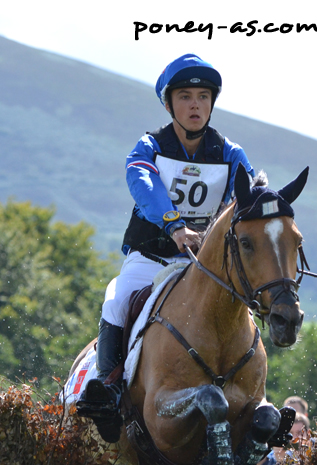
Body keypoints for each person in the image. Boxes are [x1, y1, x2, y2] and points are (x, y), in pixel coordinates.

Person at [77, 54, 254, 443]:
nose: (196, 105)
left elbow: (248, 193)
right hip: (152, 258)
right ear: (170, 103)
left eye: (204, 97)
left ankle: (249, 400)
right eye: (186, 96)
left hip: (200, 268)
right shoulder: (150, 145)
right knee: (116, 298)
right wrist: (174, 224)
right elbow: (142, 181)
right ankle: (107, 388)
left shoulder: (230, 153)